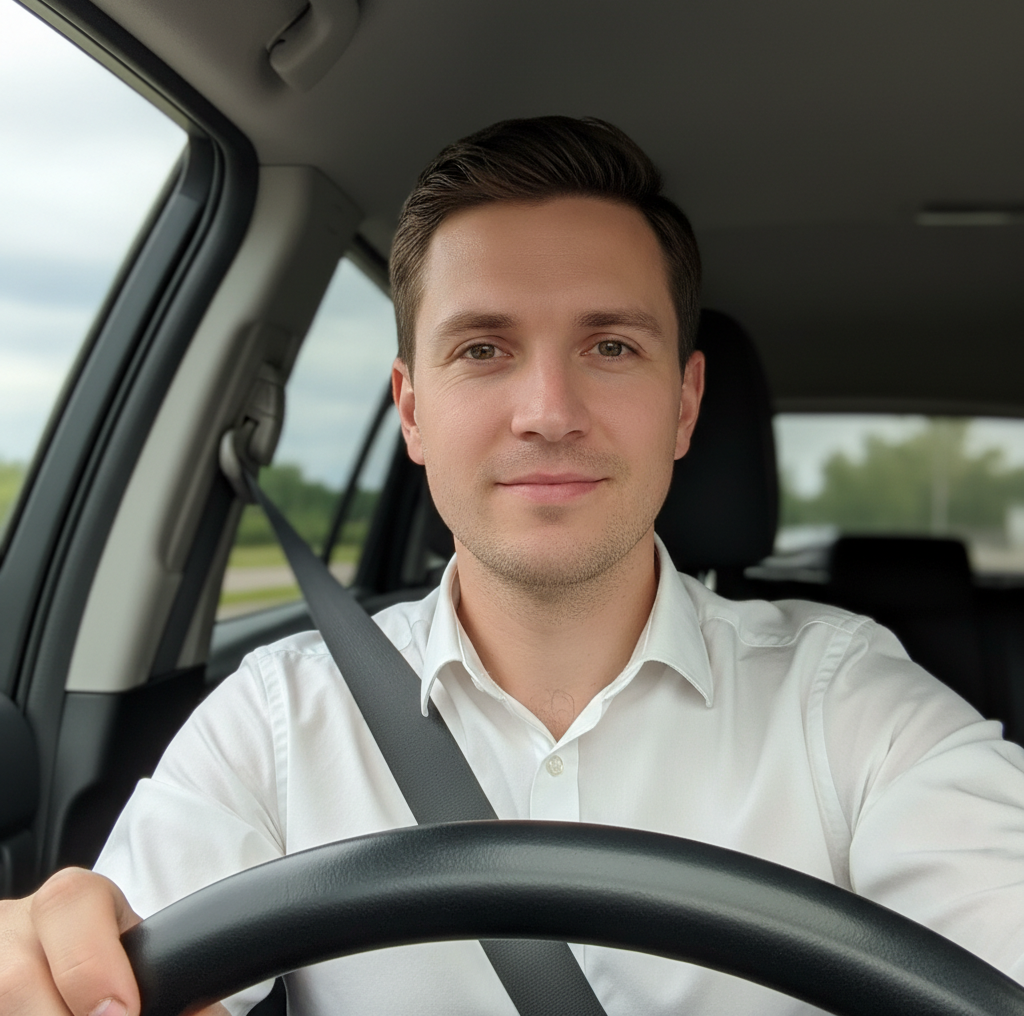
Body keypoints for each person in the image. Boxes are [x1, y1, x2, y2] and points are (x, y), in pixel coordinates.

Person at [2, 116, 1023, 1016]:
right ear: (410, 408)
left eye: (612, 346)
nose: (547, 409)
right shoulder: (278, 717)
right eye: (483, 349)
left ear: (684, 403)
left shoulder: (848, 703)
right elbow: (122, 975)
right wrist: (62, 964)